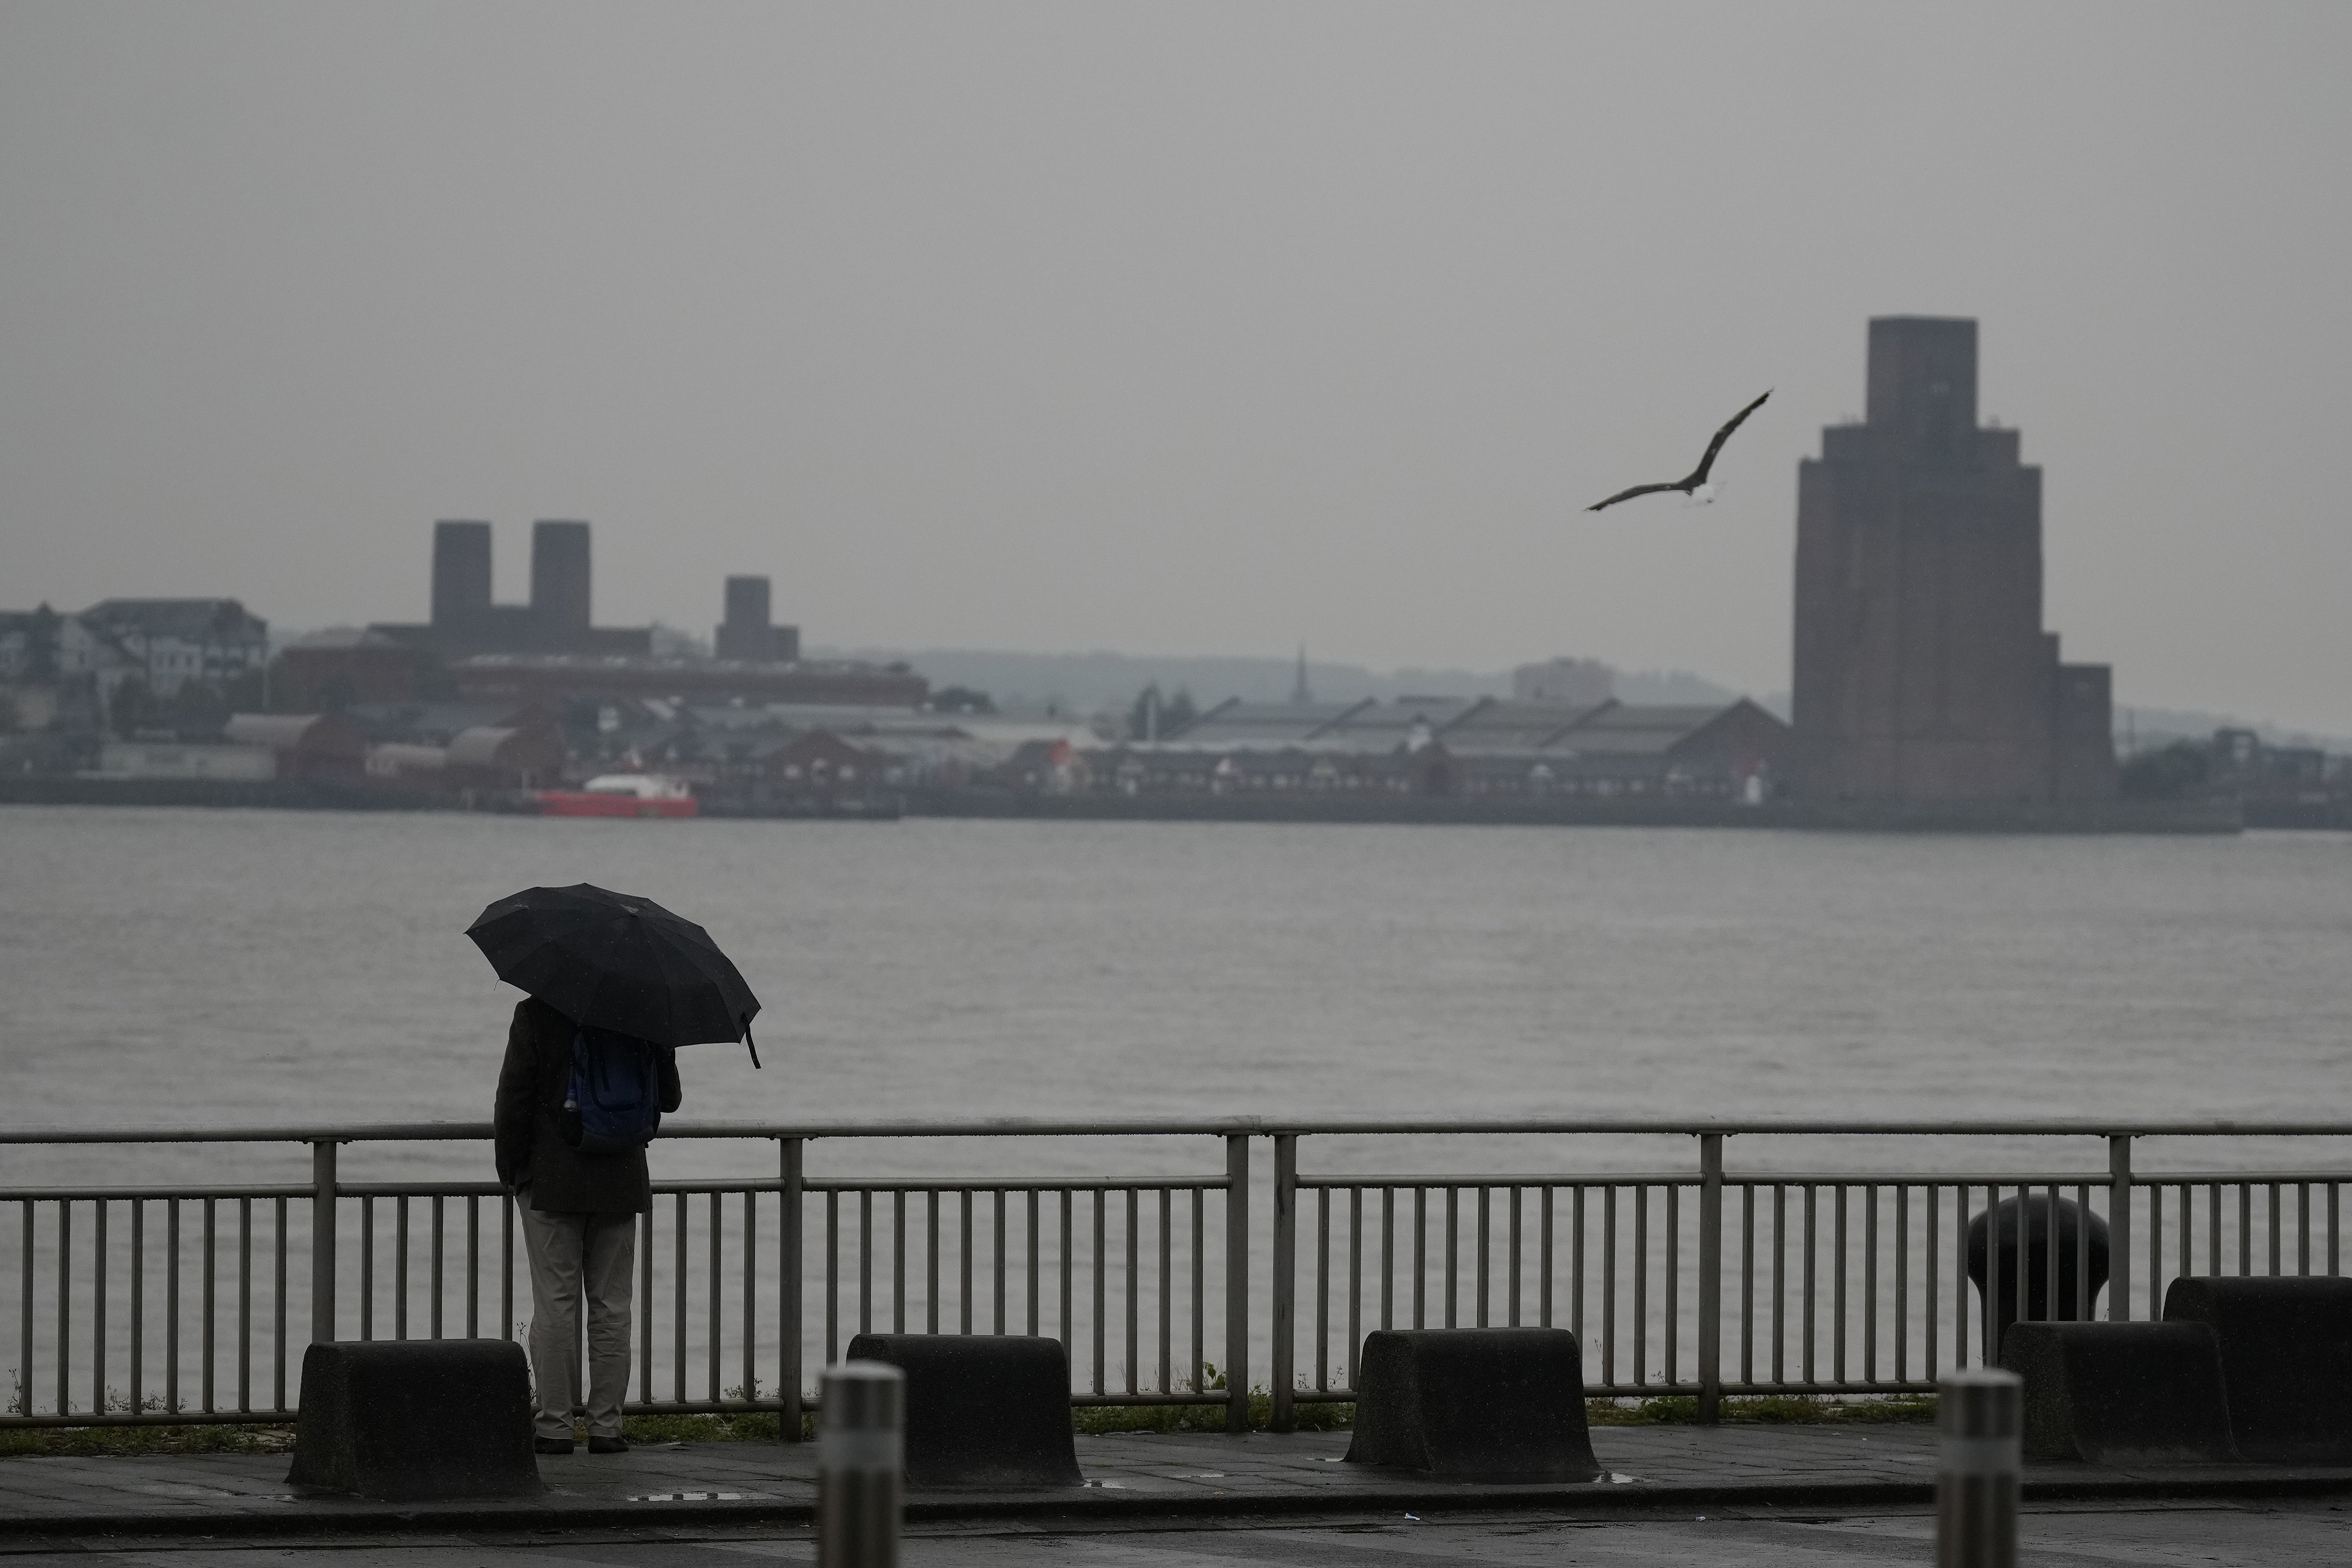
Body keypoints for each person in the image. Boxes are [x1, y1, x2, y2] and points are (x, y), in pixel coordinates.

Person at [494, 995, 681, 1455]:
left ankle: (555, 1427)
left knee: (556, 1303)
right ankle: (606, 1428)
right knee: (612, 1306)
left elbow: (514, 1098)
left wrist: (512, 1172)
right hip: (620, 1178)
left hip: (552, 1179)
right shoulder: (643, 1012)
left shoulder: (537, 1012)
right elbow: (671, 1099)